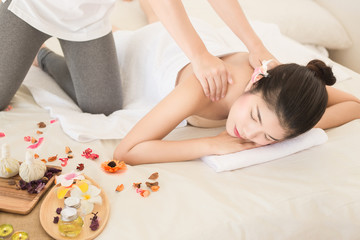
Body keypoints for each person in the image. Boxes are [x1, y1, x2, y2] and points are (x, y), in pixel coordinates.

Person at [34, 0, 360, 165]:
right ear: (255, 80)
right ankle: (47, 56)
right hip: (155, 54)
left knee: (160, 23)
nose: (249, 134)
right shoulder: (204, 90)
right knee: (121, 56)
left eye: (268, 137)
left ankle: (150, 10)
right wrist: (209, 145)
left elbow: (354, 104)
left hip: (193, 37)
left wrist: (287, 131)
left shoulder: (289, 92)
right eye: (255, 118)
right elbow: (127, 151)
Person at [146, 0, 279, 102]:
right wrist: (200, 56)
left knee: (155, 21)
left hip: (200, 32)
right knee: (156, 26)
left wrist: (256, 47)